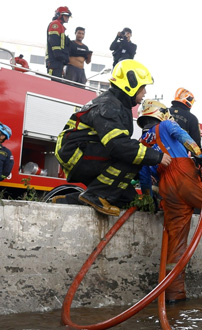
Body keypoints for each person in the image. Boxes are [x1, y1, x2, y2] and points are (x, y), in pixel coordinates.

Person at [136, 99, 202, 303]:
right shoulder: (167, 124)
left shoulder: (142, 143)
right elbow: (183, 135)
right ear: (161, 113)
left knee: (176, 242)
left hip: (166, 190)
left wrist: (151, 200)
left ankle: (174, 295)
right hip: (184, 175)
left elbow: (144, 178)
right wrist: (199, 155)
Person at [53, 60, 168, 215]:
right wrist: (156, 156)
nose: (145, 93)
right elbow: (118, 146)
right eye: (143, 87)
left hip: (82, 150)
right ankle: (94, 195)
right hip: (75, 153)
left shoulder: (117, 103)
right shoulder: (109, 105)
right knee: (132, 157)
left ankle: (65, 202)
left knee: (125, 198)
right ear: (130, 85)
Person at [46, 6, 72, 80]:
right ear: (60, 15)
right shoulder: (55, 24)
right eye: (66, 16)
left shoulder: (60, 26)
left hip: (58, 62)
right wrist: (62, 57)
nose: (68, 18)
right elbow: (54, 42)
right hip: (54, 60)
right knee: (53, 84)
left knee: (57, 83)